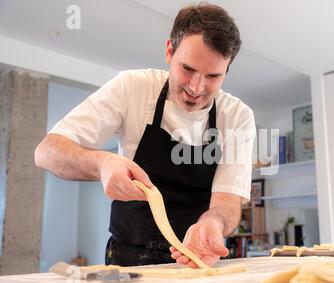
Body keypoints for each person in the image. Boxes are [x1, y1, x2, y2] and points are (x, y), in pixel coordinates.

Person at [35, 3, 256, 268]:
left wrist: (213, 222)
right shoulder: (133, 88)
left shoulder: (237, 117)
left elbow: (228, 203)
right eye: (187, 69)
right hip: (127, 261)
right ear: (169, 51)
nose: (197, 88)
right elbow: (46, 152)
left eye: (213, 76)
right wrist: (101, 163)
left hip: (197, 262)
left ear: (227, 71)